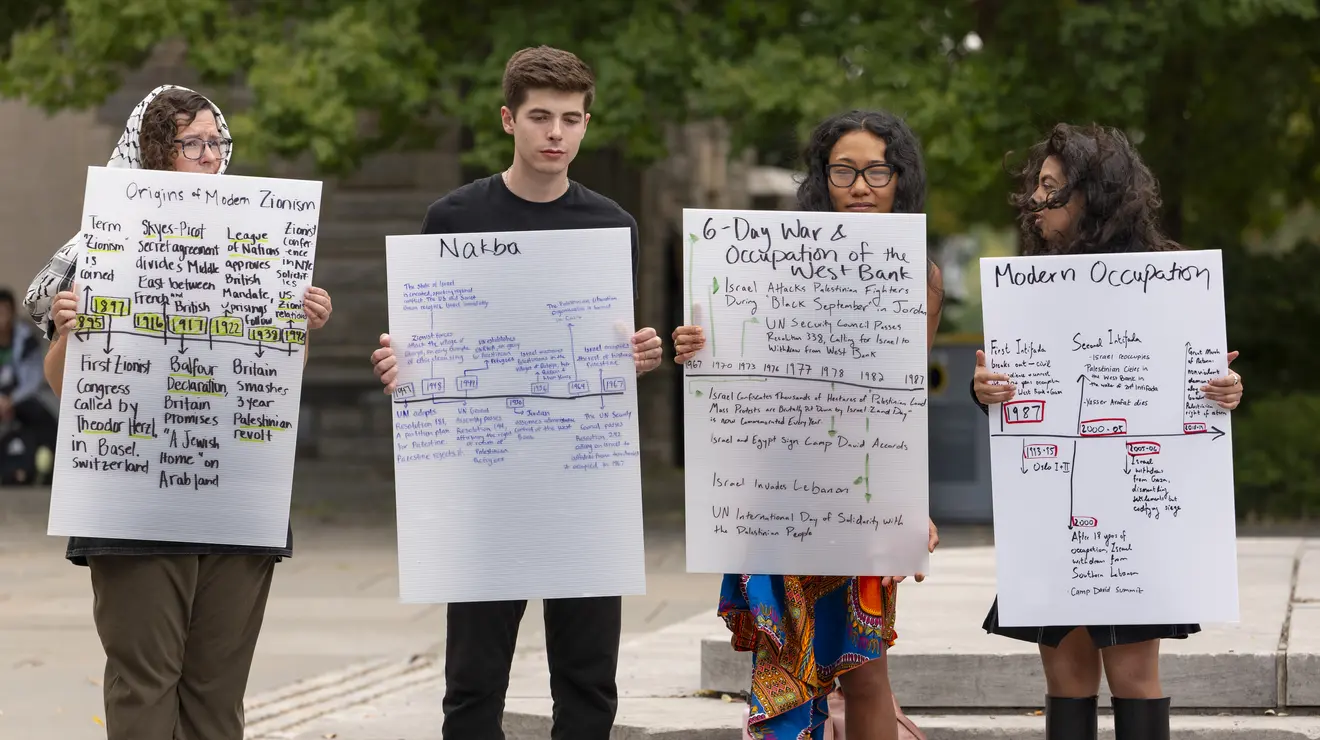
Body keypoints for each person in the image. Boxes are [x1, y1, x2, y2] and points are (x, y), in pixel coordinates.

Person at [367, 46, 664, 739]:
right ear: (509, 120)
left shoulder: (612, 227)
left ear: (587, 124)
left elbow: (613, 346)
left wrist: (638, 357)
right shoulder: (453, 219)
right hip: (483, 487)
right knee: (472, 685)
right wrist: (400, 365)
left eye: (570, 118)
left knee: (589, 680)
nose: (555, 133)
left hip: (585, 484)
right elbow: (427, 341)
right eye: (539, 117)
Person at [25, 84, 334, 740]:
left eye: (215, 142)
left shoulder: (261, 238)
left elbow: (274, 384)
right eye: (188, 143)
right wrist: (68, 332)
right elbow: (63, 385)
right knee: (145, 684)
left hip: (236, 498)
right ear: (150, 153)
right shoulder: (100, 251)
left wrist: (299, 328)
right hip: (131, 498)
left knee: (218, 696)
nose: (207, 155)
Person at [970, 123, 1246, 740]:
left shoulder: (1168, 279)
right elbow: (1006, 389)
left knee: (1135, 678)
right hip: (1053, 517)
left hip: (1136, 522)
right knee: (1065, 683)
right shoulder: (1026, 286)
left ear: (1091, 194)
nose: (1034, 201)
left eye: (1049, 186)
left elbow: (1201, 390)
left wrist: (1224, 392)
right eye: (1036, 186)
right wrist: (982, 390)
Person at [672, 110, 942, 740]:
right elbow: (730, 367)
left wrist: (912, 505)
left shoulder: (917, 276)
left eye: (877, 169)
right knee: (782, 665)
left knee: (866, 670)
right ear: (824, 178)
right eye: (843, 169)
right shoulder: (763, 263)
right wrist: (698, 347)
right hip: (775, 493)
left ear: (899, 178)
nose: (860, 185)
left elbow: (904, 402)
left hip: (862, 496)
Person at [0, 286, 58, 484]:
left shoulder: (25, 339)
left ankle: (50, 471)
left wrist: (11, 401)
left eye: (4, 310)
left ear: (12, 312)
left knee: (46, 421)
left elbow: (33, 378)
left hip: (19, 399)